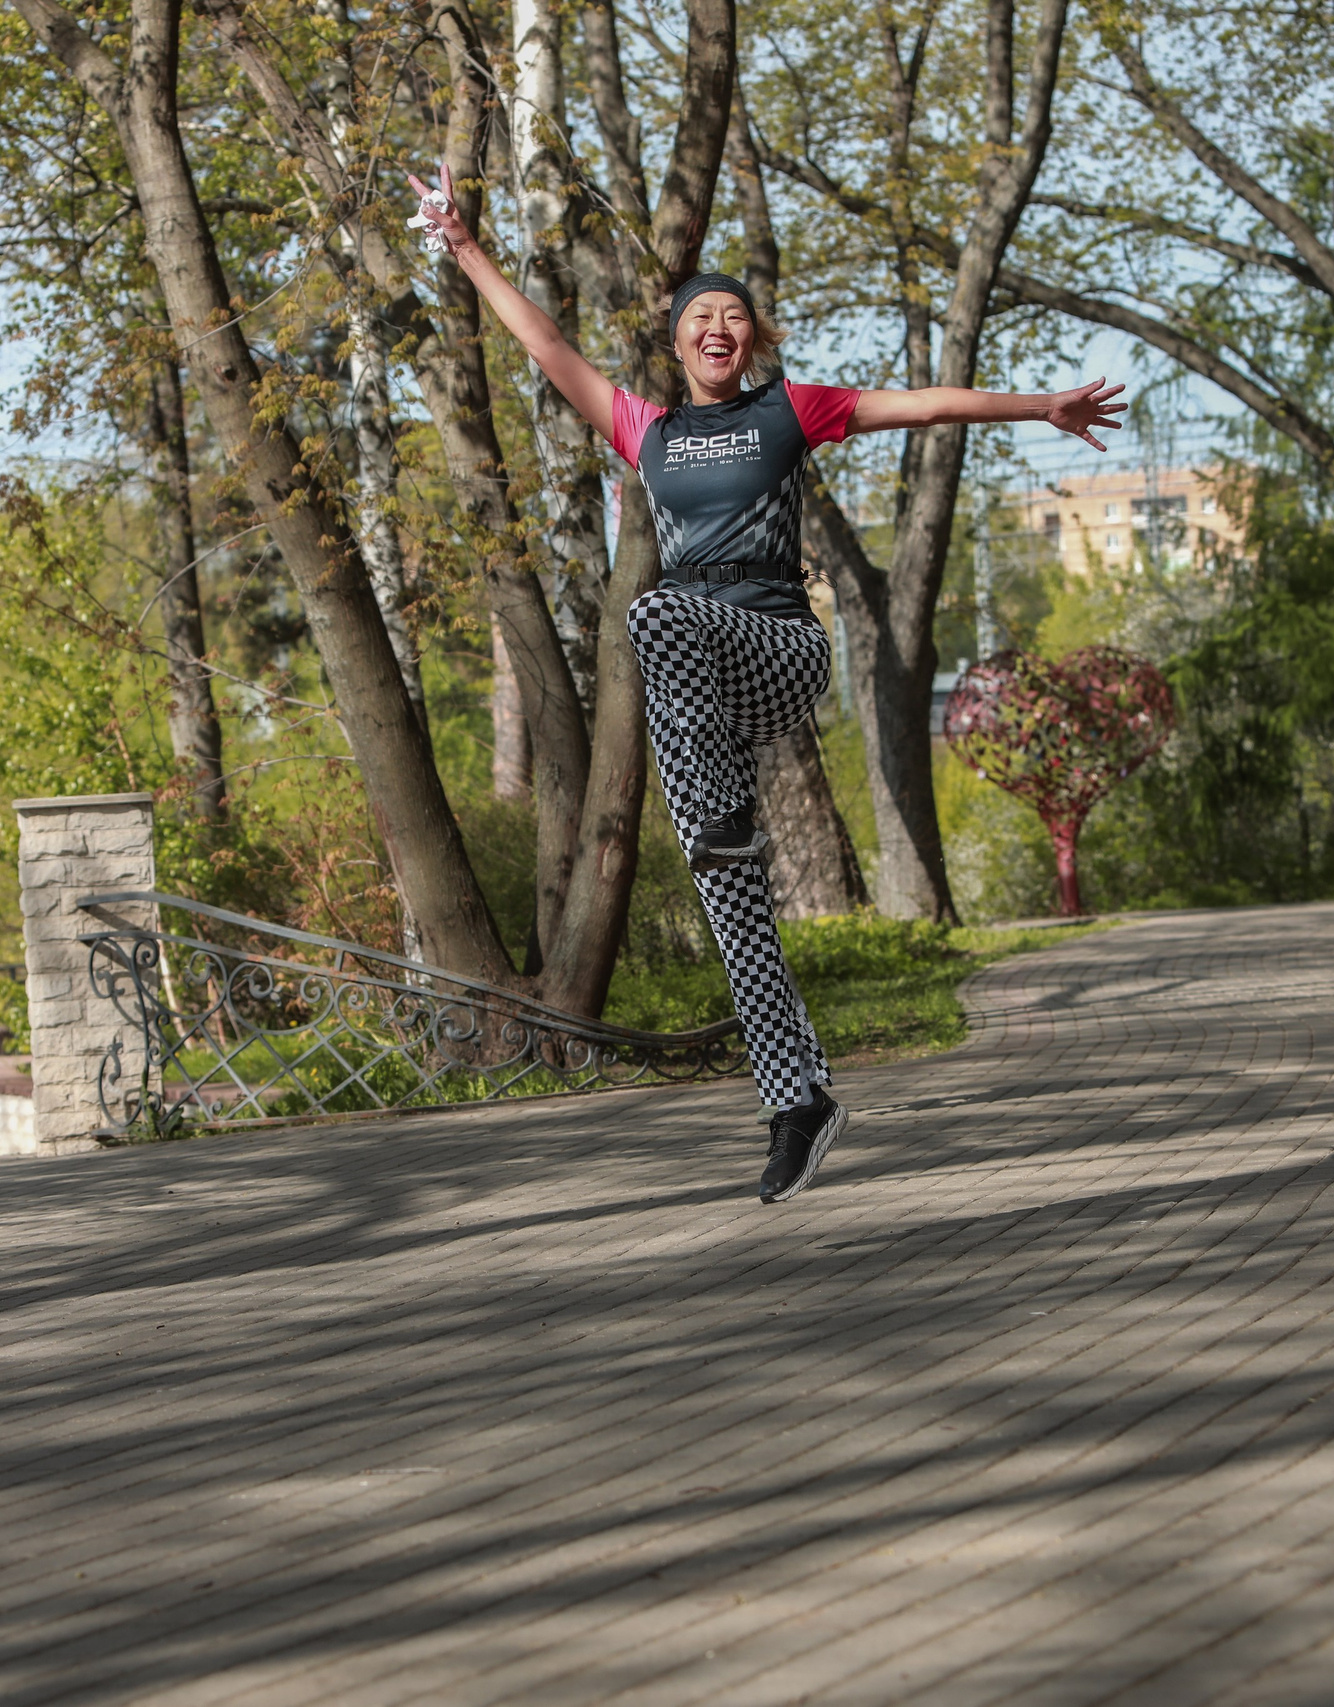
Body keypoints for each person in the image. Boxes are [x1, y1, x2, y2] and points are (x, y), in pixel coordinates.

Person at [406, 164, 1126, 1204]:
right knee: (730, 901)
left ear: (750, 342)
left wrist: (1040, 406)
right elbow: (548, 346)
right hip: (701, 686)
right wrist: (466, 247)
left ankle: (718, 818)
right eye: (701, 314)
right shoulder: (646, 431)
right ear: (676, 341)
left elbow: (922, 405)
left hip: (780, 653)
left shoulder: (793, 410)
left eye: (734, 316)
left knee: (651, 611)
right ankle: (799, 1102)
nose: (718, 327)